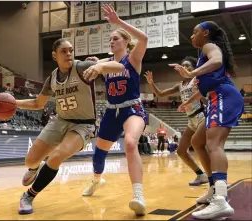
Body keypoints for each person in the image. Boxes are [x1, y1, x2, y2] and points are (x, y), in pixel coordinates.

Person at [16, 38, 125, 215]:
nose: (68, 54)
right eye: (64, 51)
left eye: (71, 50)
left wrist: (99, 67)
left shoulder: (81, 67)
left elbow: (121, 67)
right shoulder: (52, 77)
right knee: (30, 160)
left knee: (56, 157)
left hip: (83, 125)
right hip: (60, 121)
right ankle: (34, 168)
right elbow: (37, 103)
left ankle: (28, 196)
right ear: (54, 55)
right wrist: (14, 103)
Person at [171, 21, 244, 220]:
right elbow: (203, 89)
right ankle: (213, 188)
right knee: (197, 142)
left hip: (223, 96)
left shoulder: (209, 47)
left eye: (195, 32)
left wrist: (192, 73)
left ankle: (220, 199)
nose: (192, 36)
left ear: (205, 33)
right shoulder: (202, 54)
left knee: (214, 144)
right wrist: (188, 102)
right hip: (215, 98)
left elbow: (218, 60)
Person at [81, 4, 148, 216]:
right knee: (98, 153)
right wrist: (91, 62)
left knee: (130, 143)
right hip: (111, 111)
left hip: (132, 108)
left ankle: (138, 195)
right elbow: (93, 65)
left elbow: (144, 38)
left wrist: (118, 22)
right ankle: (96, 180)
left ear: (126, 42)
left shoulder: (133, 58)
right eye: (110, 39)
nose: (111, 41)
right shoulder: (106, 61)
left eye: (116, 38)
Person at [145, 56, 208, 186]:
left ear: (194, 68)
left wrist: (201, 93)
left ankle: (217, 178)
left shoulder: (197, 80)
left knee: (204, 146)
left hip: (202, 116)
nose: (184, 68)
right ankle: (201, 175)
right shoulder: (179, 85)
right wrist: (151, 83)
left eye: (188, 66)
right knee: (181, 151)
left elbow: (207, 98)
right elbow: (161, 94)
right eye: (183, 66)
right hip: (191, 120)